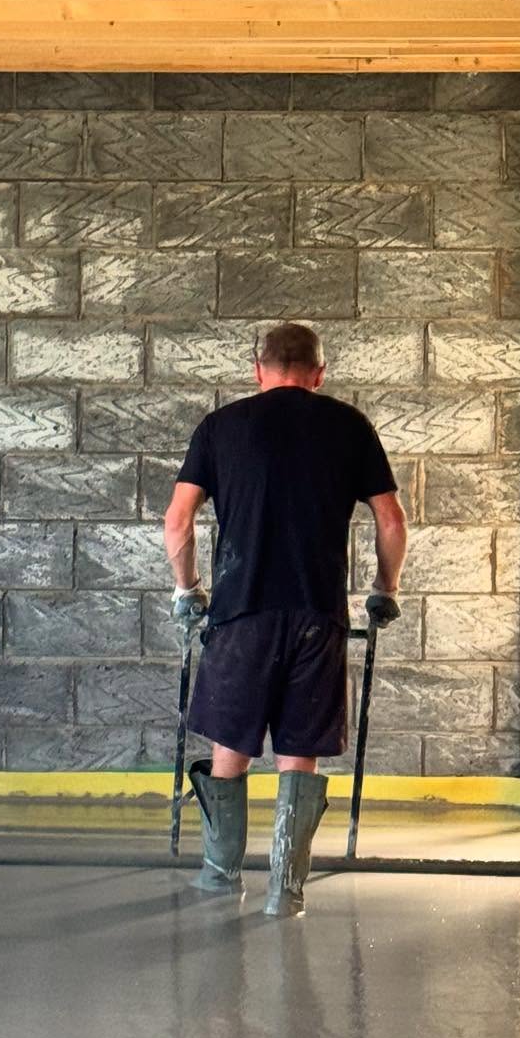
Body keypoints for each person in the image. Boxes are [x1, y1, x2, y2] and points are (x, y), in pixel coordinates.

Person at [163, 320, 407, 918]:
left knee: (230, 748)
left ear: (258, 370)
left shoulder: (221, 427)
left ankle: (221, 875)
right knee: (299, 752)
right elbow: (393, 522)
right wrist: (384, 588)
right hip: (316, 616)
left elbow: (177, 520)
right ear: (319, 375)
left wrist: (187, 589)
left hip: (239, 612)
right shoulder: (349, 426)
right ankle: (286, 890)